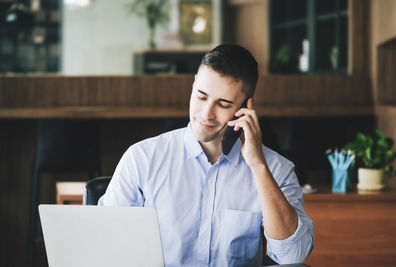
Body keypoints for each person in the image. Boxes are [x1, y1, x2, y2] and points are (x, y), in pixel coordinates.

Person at [98, 44, 314, 266]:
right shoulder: (141, 159)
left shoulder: (276, 170)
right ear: (193, 86)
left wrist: (258, 166)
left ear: (246, 107)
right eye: (201, 96)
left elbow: (293, 257)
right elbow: (105, 243)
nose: (207, 114)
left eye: (223, 103)